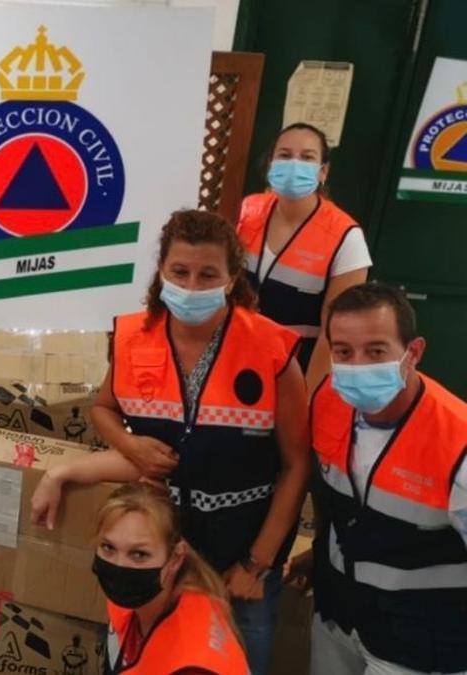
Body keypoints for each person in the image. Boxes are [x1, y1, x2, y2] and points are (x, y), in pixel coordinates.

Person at [31, 209, 309, 675]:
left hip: (240, 554)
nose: (193, 286)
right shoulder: (134, 338)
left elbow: (297, 465)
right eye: (180, 272)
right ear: (162, 272)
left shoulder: (271, 348)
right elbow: (103, 408)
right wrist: (130, 445)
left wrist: (255, 563)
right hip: (155, 551)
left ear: (232, 277)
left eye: (208, 275)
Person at [291, 283, 466, 675]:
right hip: (339, 617)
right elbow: (340, 500)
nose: (357, 366)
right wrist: (322, 553)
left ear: (413, 353)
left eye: (375, 351)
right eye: (343, 352)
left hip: (418, 642)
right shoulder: (329, 403)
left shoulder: (457, 444)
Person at [237, 123, 371, 390]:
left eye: (307, 157)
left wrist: (307, 397)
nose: (294, 164)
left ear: (323, 172)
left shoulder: (346, 237)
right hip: (237, 357)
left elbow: (335, 331)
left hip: (294, 371)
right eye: (285, 155)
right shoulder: (248, 210)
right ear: (271, 164)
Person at [90, 482, 249, 674]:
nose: (120, 565)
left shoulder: (193, 665)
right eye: (108, 547)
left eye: (139, 554)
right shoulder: (139, 601)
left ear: (175, 559)